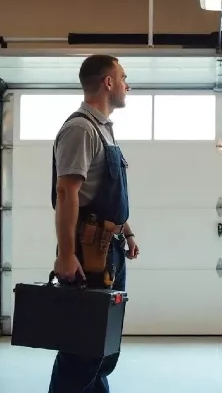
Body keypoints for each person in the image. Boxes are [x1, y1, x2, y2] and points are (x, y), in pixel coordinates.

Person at [48, 54, 140, 393]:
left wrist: (126, 232)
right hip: (87, 254)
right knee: (81, 347)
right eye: (124, 77)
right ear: (108, 82)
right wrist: (66, 255)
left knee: (99, 346)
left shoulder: (104, 132)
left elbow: (109, 191)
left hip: (108, 249)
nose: (128, 84)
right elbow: (66, 192)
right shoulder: (80, 129)